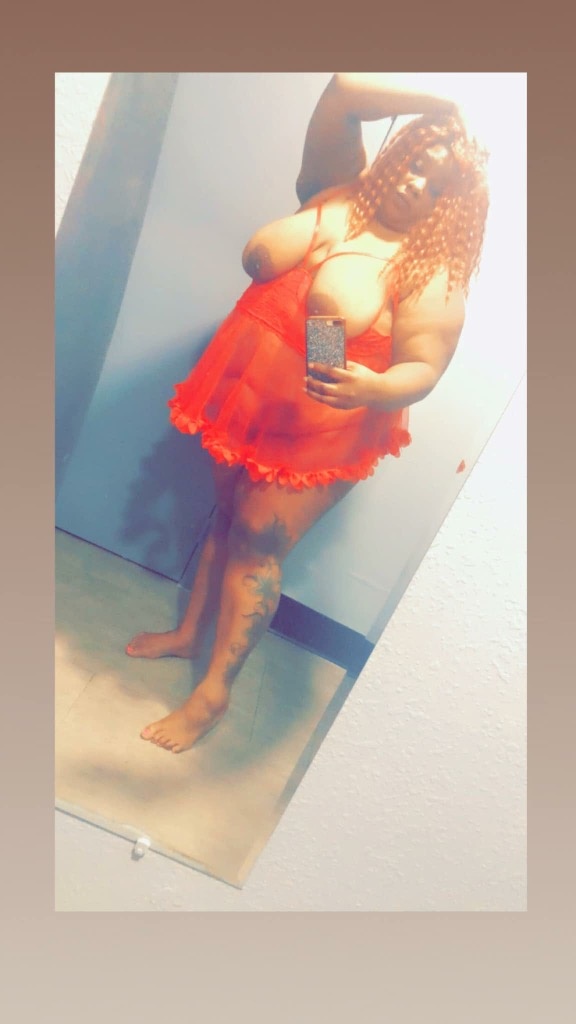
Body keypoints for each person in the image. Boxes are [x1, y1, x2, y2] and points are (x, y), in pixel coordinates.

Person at [125, 73, 490, 753]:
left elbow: (424, 369)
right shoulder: (338, 188)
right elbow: (344, 90)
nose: (417, 185)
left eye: (439, 188)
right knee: (227, 517)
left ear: (454, 209)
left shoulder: (428, 274)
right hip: (254, 396)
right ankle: (189, 634)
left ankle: (214, 695)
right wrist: (441, 105)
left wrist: (374, 388)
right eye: (416, 164)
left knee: (258, 544)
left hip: (324, 422)